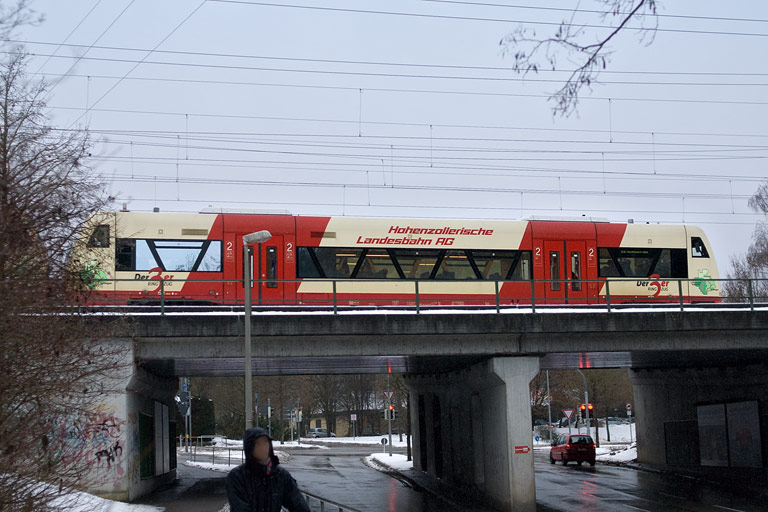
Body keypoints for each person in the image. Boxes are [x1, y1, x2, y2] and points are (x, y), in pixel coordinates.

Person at [225, 427, 310, 512]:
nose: (263, 447)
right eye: (258, 444)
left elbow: (298, 503)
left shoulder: (280, 475)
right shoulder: (237, 476)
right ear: (250, 447)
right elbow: (240, 507)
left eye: (265, 442)